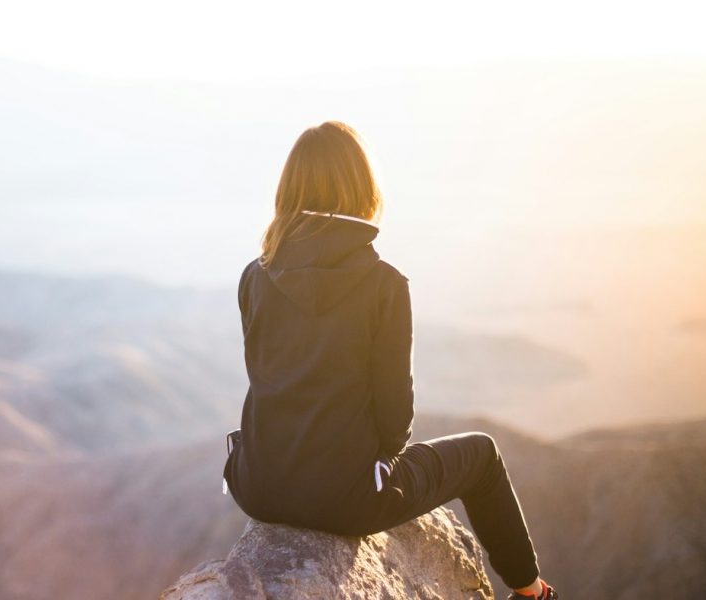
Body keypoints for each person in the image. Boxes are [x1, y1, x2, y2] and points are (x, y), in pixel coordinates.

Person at [222, 121, 557, 600]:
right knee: (482, 454)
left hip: (257, 487)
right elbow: (395, 414)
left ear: (289, 190)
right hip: (347, 500)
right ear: (362, 187)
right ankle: (532, 593)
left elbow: (269, 378)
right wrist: (376, 465)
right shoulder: (384, 284)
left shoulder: (254, 276)